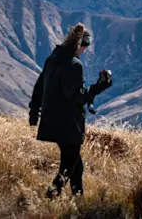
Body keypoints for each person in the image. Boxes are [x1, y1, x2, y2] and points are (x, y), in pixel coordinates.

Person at [29, 24, 113, 199]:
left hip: (52, 122)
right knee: (67, 167)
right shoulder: (74, 65)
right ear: (81, 45)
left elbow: (39, 86)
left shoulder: (53, 58)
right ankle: (50, 197)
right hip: (68, 125)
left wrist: (34, 112)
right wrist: (100, 86)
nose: (85, 51)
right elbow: (77, 97)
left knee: (76, 165)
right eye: (85, 47)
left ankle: (78, 200)